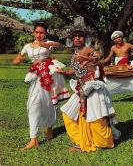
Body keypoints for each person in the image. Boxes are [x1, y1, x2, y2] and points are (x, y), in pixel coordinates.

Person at [12, 21, 69, 150]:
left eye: (41, 32)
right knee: (33, 104)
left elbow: (57, 44)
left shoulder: (48, 44)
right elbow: (17, 59)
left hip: (49, 75)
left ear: (45, 33)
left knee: (49, 103)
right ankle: (34, 139)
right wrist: (18, 60)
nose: (39, 35)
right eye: (37, 32)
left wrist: (42, 43)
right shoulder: (27, 46)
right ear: (33, 32)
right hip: (36, 76)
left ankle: (50, 127)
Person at [60, 30, 118, 152]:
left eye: (80, 36)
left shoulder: (88, 49)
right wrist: (64, 72)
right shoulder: (74, 54)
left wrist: (85, 57)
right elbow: (76, 71)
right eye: (75, 37)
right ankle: (79, 141)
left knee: (97, 118)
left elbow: (99, 56)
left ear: (84, 38)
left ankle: (104, 142)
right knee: (67, 114)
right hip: (81, 88)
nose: (77, 38)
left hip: (93, 86)